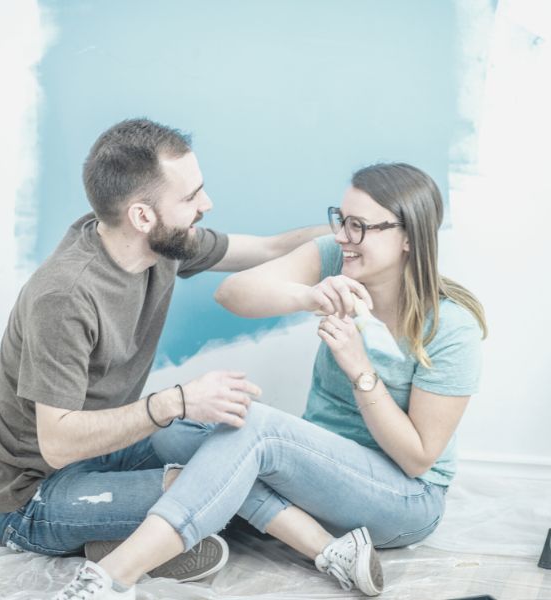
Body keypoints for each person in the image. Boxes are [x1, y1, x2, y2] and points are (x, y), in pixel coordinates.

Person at [50, 162, 486, 599]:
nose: (341, 236)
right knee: (178, 429)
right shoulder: (339, 261)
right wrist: (309, 294)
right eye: (341, 219)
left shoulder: (450, 327)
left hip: (403, 499)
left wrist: (361, 371)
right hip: (316, 485)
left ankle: (110, 577)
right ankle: (330, 549)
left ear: (409, 236)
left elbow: (417, 459)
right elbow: (233, 292)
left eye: (359, 227)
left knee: (254, 431)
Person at [0, 118, 331, 588]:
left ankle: (123, 539)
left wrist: (346, 236)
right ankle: (113, 547)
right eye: (190, 198)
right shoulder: (64, 297)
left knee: (228, 447)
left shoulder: (159, 243)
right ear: (143, 216)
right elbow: (57, 445)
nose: (207, 205)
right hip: (31, 495)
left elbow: (264, 248)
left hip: (103, 453)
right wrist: (176, 402)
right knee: (210, 485)